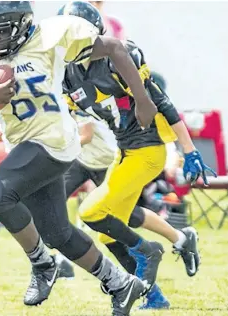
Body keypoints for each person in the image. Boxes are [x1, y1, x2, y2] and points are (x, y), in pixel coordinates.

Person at [0, 1, 161, 314]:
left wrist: (142, 100)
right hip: (23, 143)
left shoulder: (52, 36)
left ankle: (43, 264)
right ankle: (120, 284)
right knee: (57, 233)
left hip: (54, 140)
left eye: (2, 32)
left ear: (22, 25)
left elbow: (117, 48)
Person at [60, 0, 215, 306]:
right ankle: (158, 286)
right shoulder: (69, 74)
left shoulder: (118, 60)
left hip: (148, 151)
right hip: (124, 152)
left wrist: (189, 151)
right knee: (107, 230)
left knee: (91, 212)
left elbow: (163, 103)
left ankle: (149, 251)